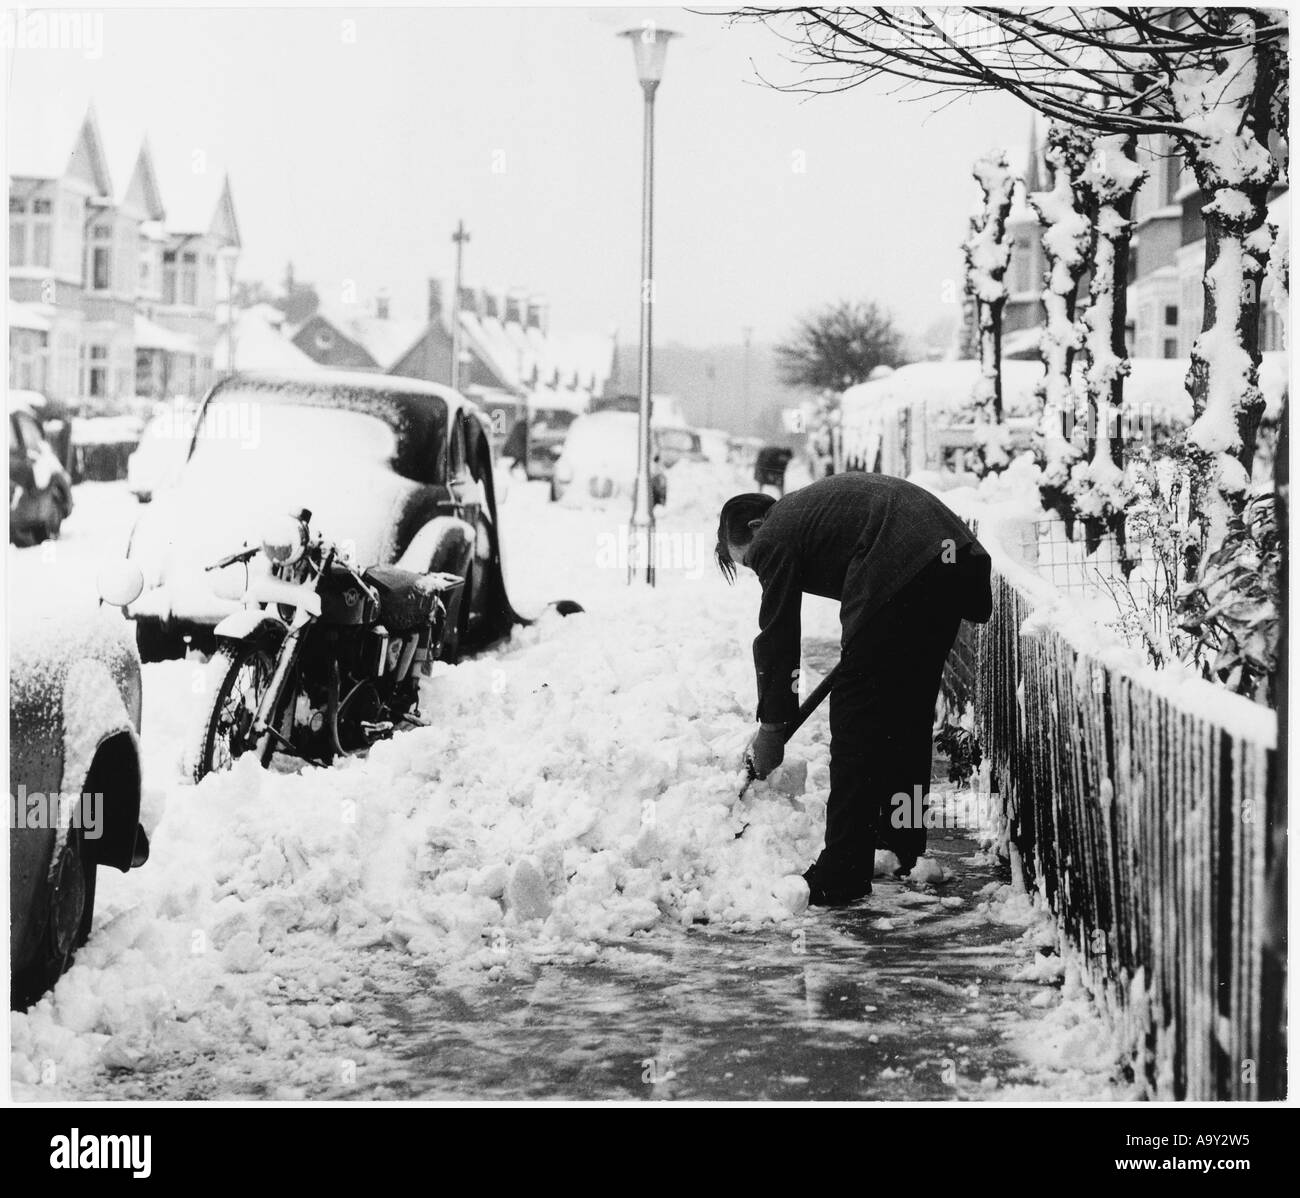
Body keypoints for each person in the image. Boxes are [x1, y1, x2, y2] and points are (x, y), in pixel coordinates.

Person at [715, 472, 993, 910]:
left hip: (904, 566)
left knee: (855, 722)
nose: (760, 571)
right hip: (950, 565)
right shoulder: (808, 514)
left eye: (750, 562)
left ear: (754, 529)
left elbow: (778, 634)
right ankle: (902, 843)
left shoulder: (775, 531)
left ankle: (842, 871)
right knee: (906, 715)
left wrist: (771, 727)